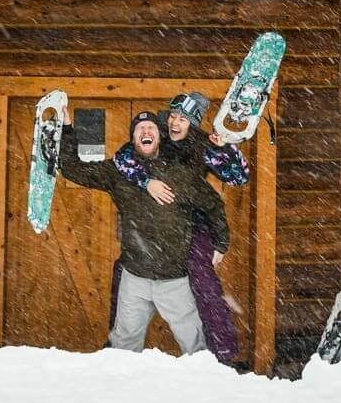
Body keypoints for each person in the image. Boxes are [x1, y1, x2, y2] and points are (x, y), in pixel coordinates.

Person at [60, 108, 231, 355]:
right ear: (133, 137)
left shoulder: (179, 173)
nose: (146, 131)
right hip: (135, 277)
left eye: (151, 127)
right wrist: (67, 129)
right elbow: (73, 170)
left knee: (195, 347)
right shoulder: (118, 173)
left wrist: (221, 242)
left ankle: (201, 390)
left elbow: (213, 204)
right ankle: (122, 390)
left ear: (160, 137)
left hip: (174, 278)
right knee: (123, 346)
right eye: (140, 128)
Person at [108, 92, 249, 363]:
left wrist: (225, 149)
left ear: (193, 123)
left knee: (204, 283)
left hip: (194, 226)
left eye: (183, 119)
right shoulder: (157, 133)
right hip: (157, 223)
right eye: (173, 115)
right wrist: (146, 181)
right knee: (125, 271)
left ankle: (221, 355)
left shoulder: (204, 146)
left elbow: (239, 176)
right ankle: (117, 347)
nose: (175, 122)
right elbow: (123, 157)